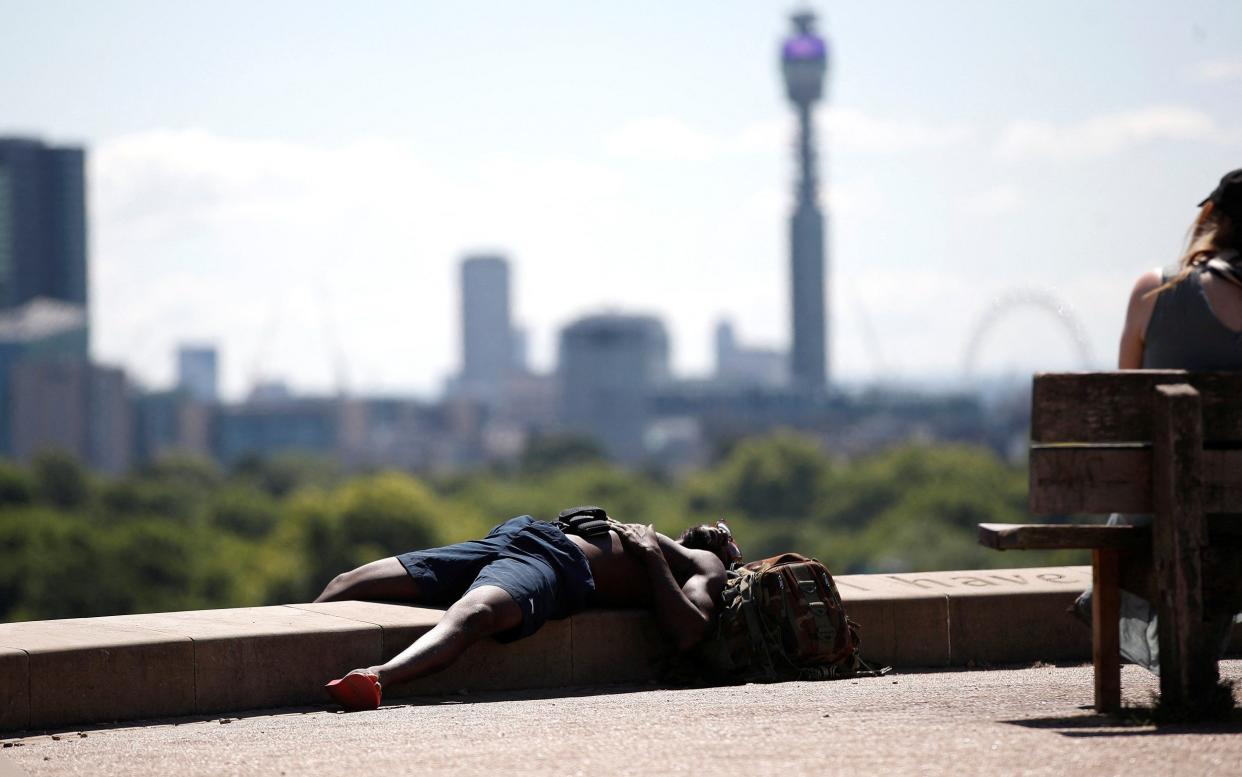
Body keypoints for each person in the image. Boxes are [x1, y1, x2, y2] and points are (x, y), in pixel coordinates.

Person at [316, 514, 743, 710]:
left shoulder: (704, 565)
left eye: (726, 537)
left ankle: (377, 677)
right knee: (348, 582)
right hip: (518, 536)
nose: (719, 530)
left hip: (554, 565)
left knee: (477, 613)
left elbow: (691, 630)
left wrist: (651, 555)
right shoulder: (674, 545)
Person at [1081, 168, 1242, 672]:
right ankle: (1195, 672)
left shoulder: (1155, 290)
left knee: (1169, 495)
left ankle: (1184, 669)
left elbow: (1127, 415)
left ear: (1209, 218)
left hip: (1167, 510)